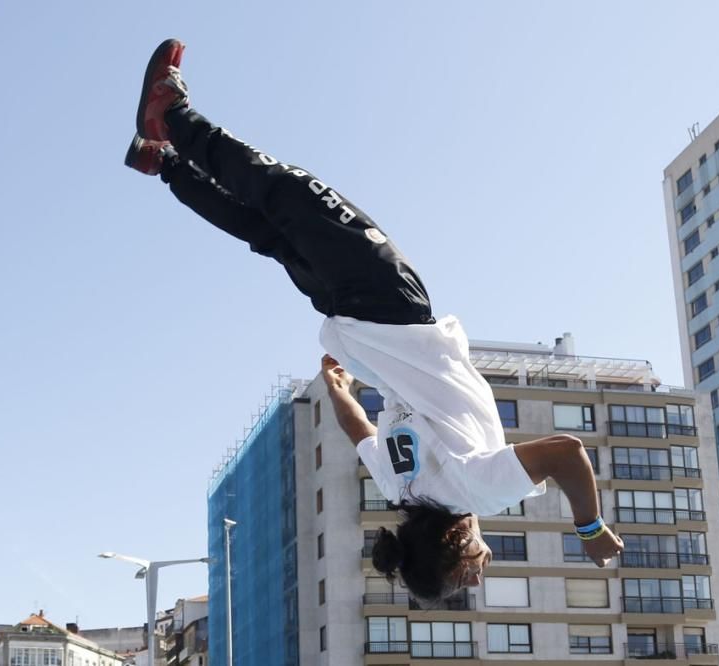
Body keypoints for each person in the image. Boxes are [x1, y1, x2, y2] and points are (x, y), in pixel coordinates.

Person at [125, 38, 624, 604]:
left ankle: (173, 117)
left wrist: (589, 527)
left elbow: (566, 452)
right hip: (350, 324)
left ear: (455, 545)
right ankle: (163, 163)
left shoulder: (477, 492)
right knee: (268, 233)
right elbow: (358, 430)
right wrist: (339, 387)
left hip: (391, 309)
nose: (480, 577)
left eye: (467, 576)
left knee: (289, 192)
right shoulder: (400, 489)